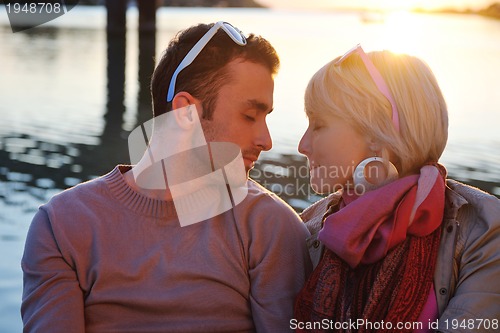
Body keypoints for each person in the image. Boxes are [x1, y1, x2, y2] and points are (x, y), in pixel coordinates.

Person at [21, 21, 312, 333]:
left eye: (265, 118)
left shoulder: (270, 227)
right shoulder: (63, 226)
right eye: (249, 116)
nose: (266, 141)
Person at [293, 44, 500, 332]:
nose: (302, 146)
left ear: (376, 133)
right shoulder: (308, 226)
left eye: (319, 124)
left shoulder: (484, 228)